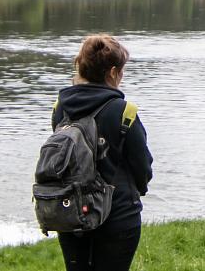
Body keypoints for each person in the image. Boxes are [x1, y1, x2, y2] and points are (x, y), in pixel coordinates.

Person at [51, 35, 153, 271]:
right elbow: (142, 167)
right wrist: (138, 190)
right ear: (113, 72)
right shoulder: (124, 111)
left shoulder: (60, 108)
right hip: (118, 215)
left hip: (70, 212)